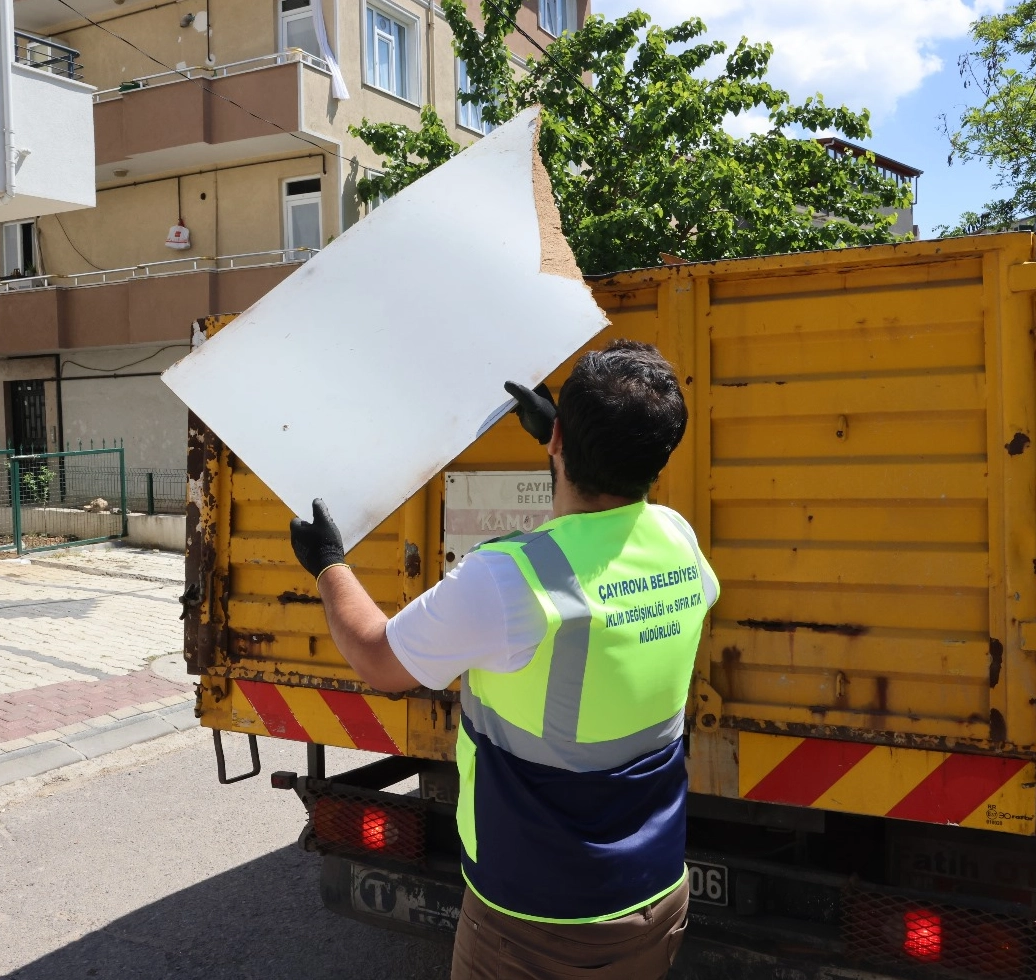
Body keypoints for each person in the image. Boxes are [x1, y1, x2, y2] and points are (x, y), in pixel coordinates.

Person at [287, 339, 719, 980]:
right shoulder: (678, 541)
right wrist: (568, 440)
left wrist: (328, 563)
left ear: (560, 441)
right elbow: (606, 522)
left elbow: (379, 659)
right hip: (654, 892)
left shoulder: (513, 580)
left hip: (537, 920)